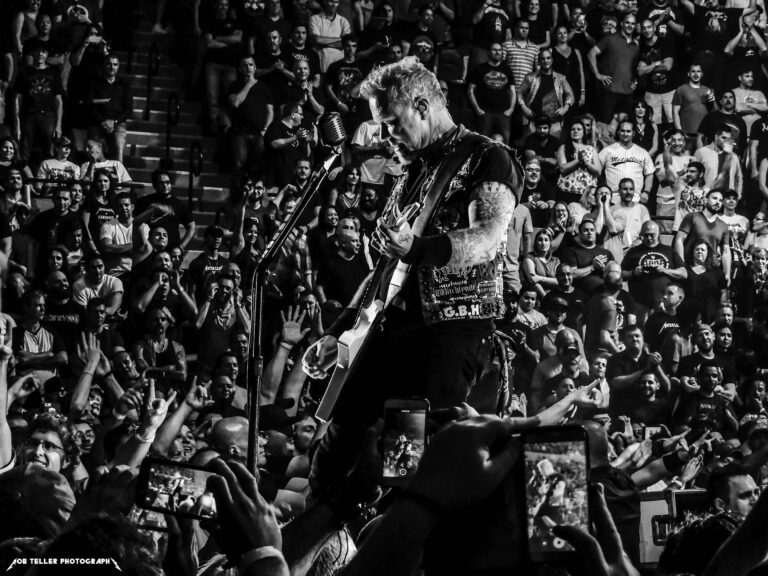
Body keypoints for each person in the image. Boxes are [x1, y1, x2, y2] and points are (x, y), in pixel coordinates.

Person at [302, 56, 521, 492]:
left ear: (421, 106)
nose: (385, 138)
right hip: (387, 330)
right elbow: (385, 269)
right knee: (333, 454)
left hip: (444, 337)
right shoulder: (412, 173)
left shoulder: (488, 158)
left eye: (390, 124)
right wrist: (339, 332)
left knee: (405, 469)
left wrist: (416, 249)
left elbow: (486, 239)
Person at [621, 220, 687, 322]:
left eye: (652, 235)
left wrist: (665, 270)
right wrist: (634, 273)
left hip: (664, 304)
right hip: (640, 305)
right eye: (646, 235)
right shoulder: (633, 252)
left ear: (658, 233)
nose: (649, 238)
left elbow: (684, 273)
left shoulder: (668, 250)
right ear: (641, 235)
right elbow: (621, 274)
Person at [224, 54, 275, 175]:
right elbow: (235, 103)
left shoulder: (264, 87)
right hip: (240, 132)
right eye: (245, 65)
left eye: (251, 65)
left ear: (255, 67)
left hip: (259, 133)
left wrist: (265, 129)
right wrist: (249, 84)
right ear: (240, 69)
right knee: (239, 164)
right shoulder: (234, 86)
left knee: (257, 166)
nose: (248, 68)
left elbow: (270, 111)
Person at [587, 12, 639, 128]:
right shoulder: (610, 39)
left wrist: (634, 82)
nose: (630, 25)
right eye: (627, 22)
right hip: (609, 90)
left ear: (635, 26)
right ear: (622, 24)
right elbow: (591, 54)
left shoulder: (636, 46)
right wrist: (597, 74)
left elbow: (633, 68)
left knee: (624, 127)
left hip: (627, 92)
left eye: (632, 23)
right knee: (605, 126)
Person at [134, 169, 197, 251]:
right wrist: (153, 208)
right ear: (154, 185)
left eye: (168, 182)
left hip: (171, 251)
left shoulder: (178, 204)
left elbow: (192, 226)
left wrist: (182, 247)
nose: (165, 185)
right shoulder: (144, 201)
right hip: (149, 250)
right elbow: (134, 223)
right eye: (161, 183)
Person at [518, 48, 574, 137]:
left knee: (554, 145)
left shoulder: (560, 78)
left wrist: (565, 109)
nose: (545, 61)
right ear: (539, 61)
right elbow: (519, 93)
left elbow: (570, 95)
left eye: (548, 58)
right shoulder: (530, 77)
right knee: (531, 145)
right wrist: (524, 107)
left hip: (554, 123)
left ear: (552, 60)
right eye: (542, 58)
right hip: (533, 123)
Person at [466, 42, 516, 143]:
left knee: (505, 145)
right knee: (483, 144)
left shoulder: (507, 69)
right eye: (494, 50)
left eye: (499, 50)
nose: (497, 52)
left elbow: (512, 91)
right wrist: (477, 109)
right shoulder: (480, 69)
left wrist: (511, 109)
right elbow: (470, 90)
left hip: (503, 113)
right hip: (485, 113)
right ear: (488, 52)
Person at [598, 120, 655, 203]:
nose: (625, 133)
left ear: (633, 133)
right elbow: (596, 170)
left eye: (628, 131)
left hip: (635, 198)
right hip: (613, 198)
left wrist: (646, 192)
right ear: (618, 132)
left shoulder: (642, 152)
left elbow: (649, 173)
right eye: (623, 131)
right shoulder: (607, 151)